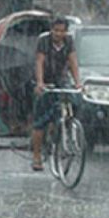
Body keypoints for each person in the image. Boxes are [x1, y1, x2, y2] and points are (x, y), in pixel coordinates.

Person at [31, 17, 81, 171]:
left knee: (72, 102)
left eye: (62, 31)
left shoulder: (69, 41)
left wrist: (78, 82)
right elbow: (39, 62)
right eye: (56, 30)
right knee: (40, 120)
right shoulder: (44, 41)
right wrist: (40, 82)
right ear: (51, 30)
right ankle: (37, 156)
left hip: (61, 79)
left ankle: (62, 130)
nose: (59, 34)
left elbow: (73, 62)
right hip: (45, 80)